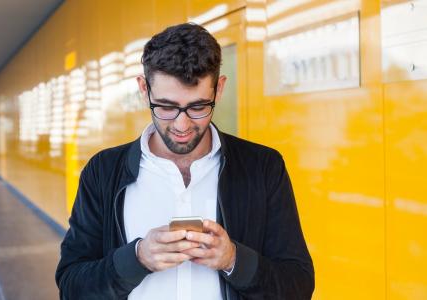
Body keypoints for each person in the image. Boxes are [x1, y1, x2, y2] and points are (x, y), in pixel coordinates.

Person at [56, 23, 314, 299]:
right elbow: (72, 287)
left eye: (198, 107)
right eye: (166, 107)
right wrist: (137, 258)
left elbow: (297, 286)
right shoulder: (103, 172)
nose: (182, 124)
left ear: (219, 89)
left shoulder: (263, 167)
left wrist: (233, 260)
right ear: (144, 89)